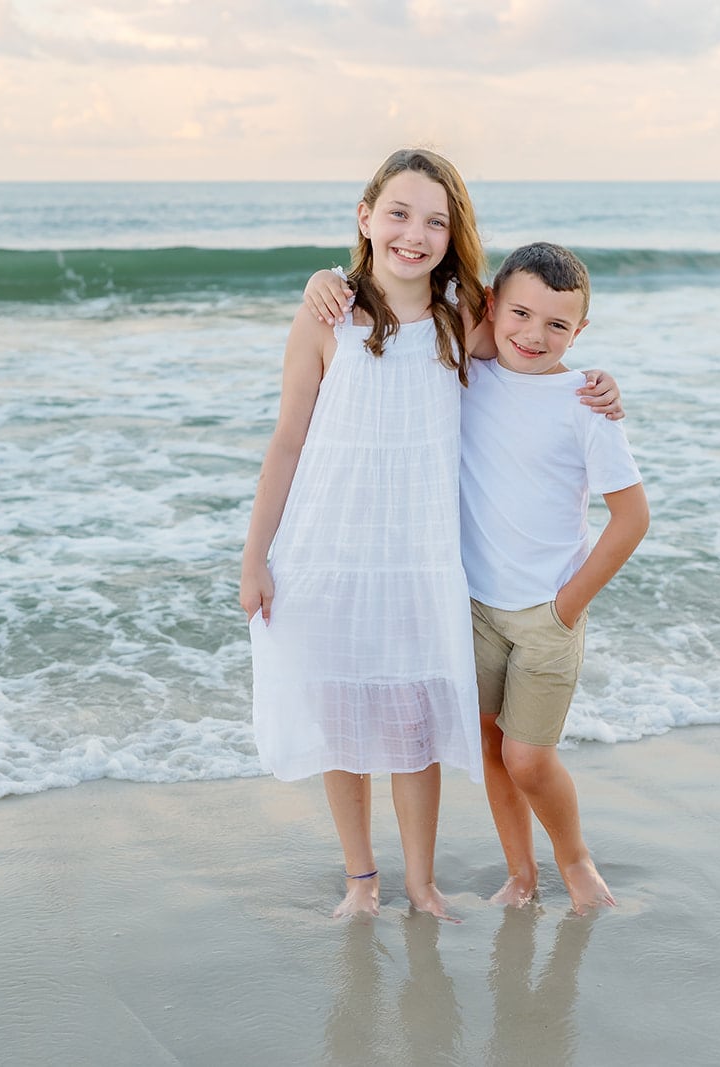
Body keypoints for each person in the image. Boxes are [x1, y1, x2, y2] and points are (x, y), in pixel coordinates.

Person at [240, 151, 621, 921]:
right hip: (329, 552)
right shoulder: (325, 317)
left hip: (420, 561)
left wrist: (601, 384)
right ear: (365, 216)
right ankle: (361, 878)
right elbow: (287, 439)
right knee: (343, 721)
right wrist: (256, 556)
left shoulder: (461, 319)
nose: (414, 234)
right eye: (399, 213)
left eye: (435, 222)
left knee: (413, 727)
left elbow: (532, 348)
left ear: (454, 235)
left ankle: (420, 883)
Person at [307, 241, 648, 914]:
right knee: (492, 747)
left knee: (528, 758)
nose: (534, 334)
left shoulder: (584, 403)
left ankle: (574, 859)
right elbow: (401, 311)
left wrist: (567, 606)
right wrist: (326, 278)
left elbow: (632, 518)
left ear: (580, 331)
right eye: (520, 314)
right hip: (475, 607)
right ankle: (522, 875)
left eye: (557, 325)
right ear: (491, 306)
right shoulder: (466, 374)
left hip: (548, 616)